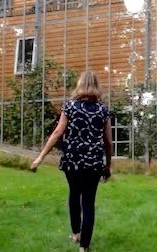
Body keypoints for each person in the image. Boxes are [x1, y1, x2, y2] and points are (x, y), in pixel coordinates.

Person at [30, 71, 112, 252]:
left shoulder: (70, 106)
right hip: (94, 162)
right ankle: (84, 246)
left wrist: (40, 157)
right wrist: (108, 165)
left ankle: (76, 234)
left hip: (72, 160)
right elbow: (108, 141)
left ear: (80, 85)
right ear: (96, 86)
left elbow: (58, 133)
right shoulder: (103, 110)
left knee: (75, 194)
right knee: (88, 202)